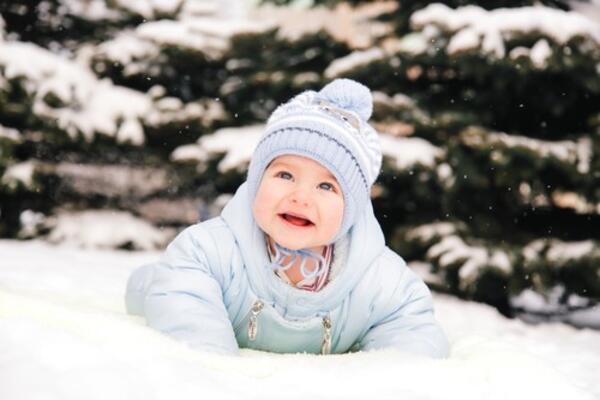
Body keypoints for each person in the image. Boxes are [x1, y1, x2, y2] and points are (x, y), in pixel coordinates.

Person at [125, 79, 449, 358]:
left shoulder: (379, 280)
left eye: (326, 185)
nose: (301, 197)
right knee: (160, 283)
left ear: (352, 209)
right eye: (284, 175)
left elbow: (412, 333)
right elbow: (187, 315)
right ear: (256, 182)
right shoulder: (208, 251)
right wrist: (217, 374)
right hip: (179, 284)